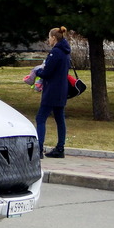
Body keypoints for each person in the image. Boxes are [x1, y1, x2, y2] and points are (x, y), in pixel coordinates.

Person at [34, 26, 72, 158]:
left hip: (52, 90)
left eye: (49, 37)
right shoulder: (66, 52)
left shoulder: (55, 52)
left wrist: (36, 71)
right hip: (62, 90)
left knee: (40, 118)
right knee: (60, 118)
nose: (48, 39)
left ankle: (38, 149)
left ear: (54, 38)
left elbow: (47, 72)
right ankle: (60, 148)